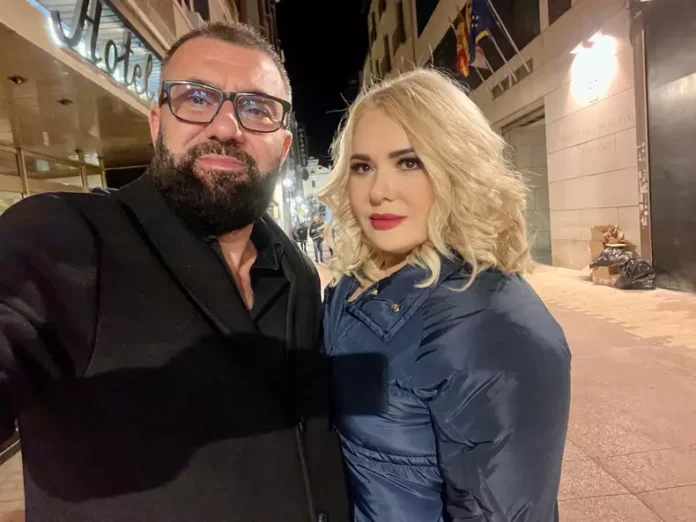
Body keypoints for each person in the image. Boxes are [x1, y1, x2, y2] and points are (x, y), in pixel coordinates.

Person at [0, 22, 347, 522]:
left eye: (256, 108)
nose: (226, 127)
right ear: (157, 122)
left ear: (284, 144)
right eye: (197, 99)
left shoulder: (295, 273)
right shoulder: (69, 237)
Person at [318, 68, 571, 522]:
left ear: (457, 167)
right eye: (362, 166)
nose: (379, 191)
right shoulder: (353, 285)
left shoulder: (489, 322)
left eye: (409, 162)